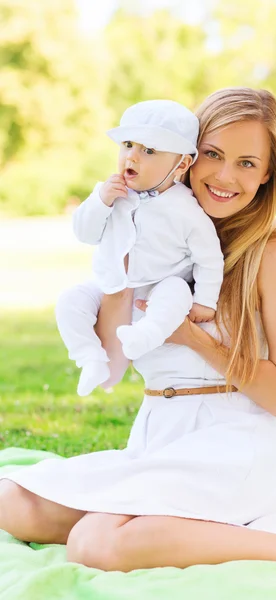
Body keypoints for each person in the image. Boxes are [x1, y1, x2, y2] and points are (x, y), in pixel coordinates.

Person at [0, 88, 276, 574]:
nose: (226, 176)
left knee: (95, 543)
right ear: (183, 156)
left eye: (248, 163)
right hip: (160, 434)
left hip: (234, 441)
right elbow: (113, 366)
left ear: (268, 174)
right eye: (213, 154)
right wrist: (120, 261)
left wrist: (193, 338)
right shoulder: (155, 237)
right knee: (12, 502)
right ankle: (177, 529)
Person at [55, 99, 224, 397]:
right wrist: (101, 202)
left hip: (157, 288)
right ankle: (89, 357)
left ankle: (145, 335)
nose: (132, 156)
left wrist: (205, 301)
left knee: (177, 293)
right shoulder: (110, 192)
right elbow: (85, 233)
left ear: (181, 164)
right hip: (112, 284)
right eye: (128, 144)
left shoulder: (186, 210)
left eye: (149, 151)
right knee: (70, 301)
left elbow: (209, 258)